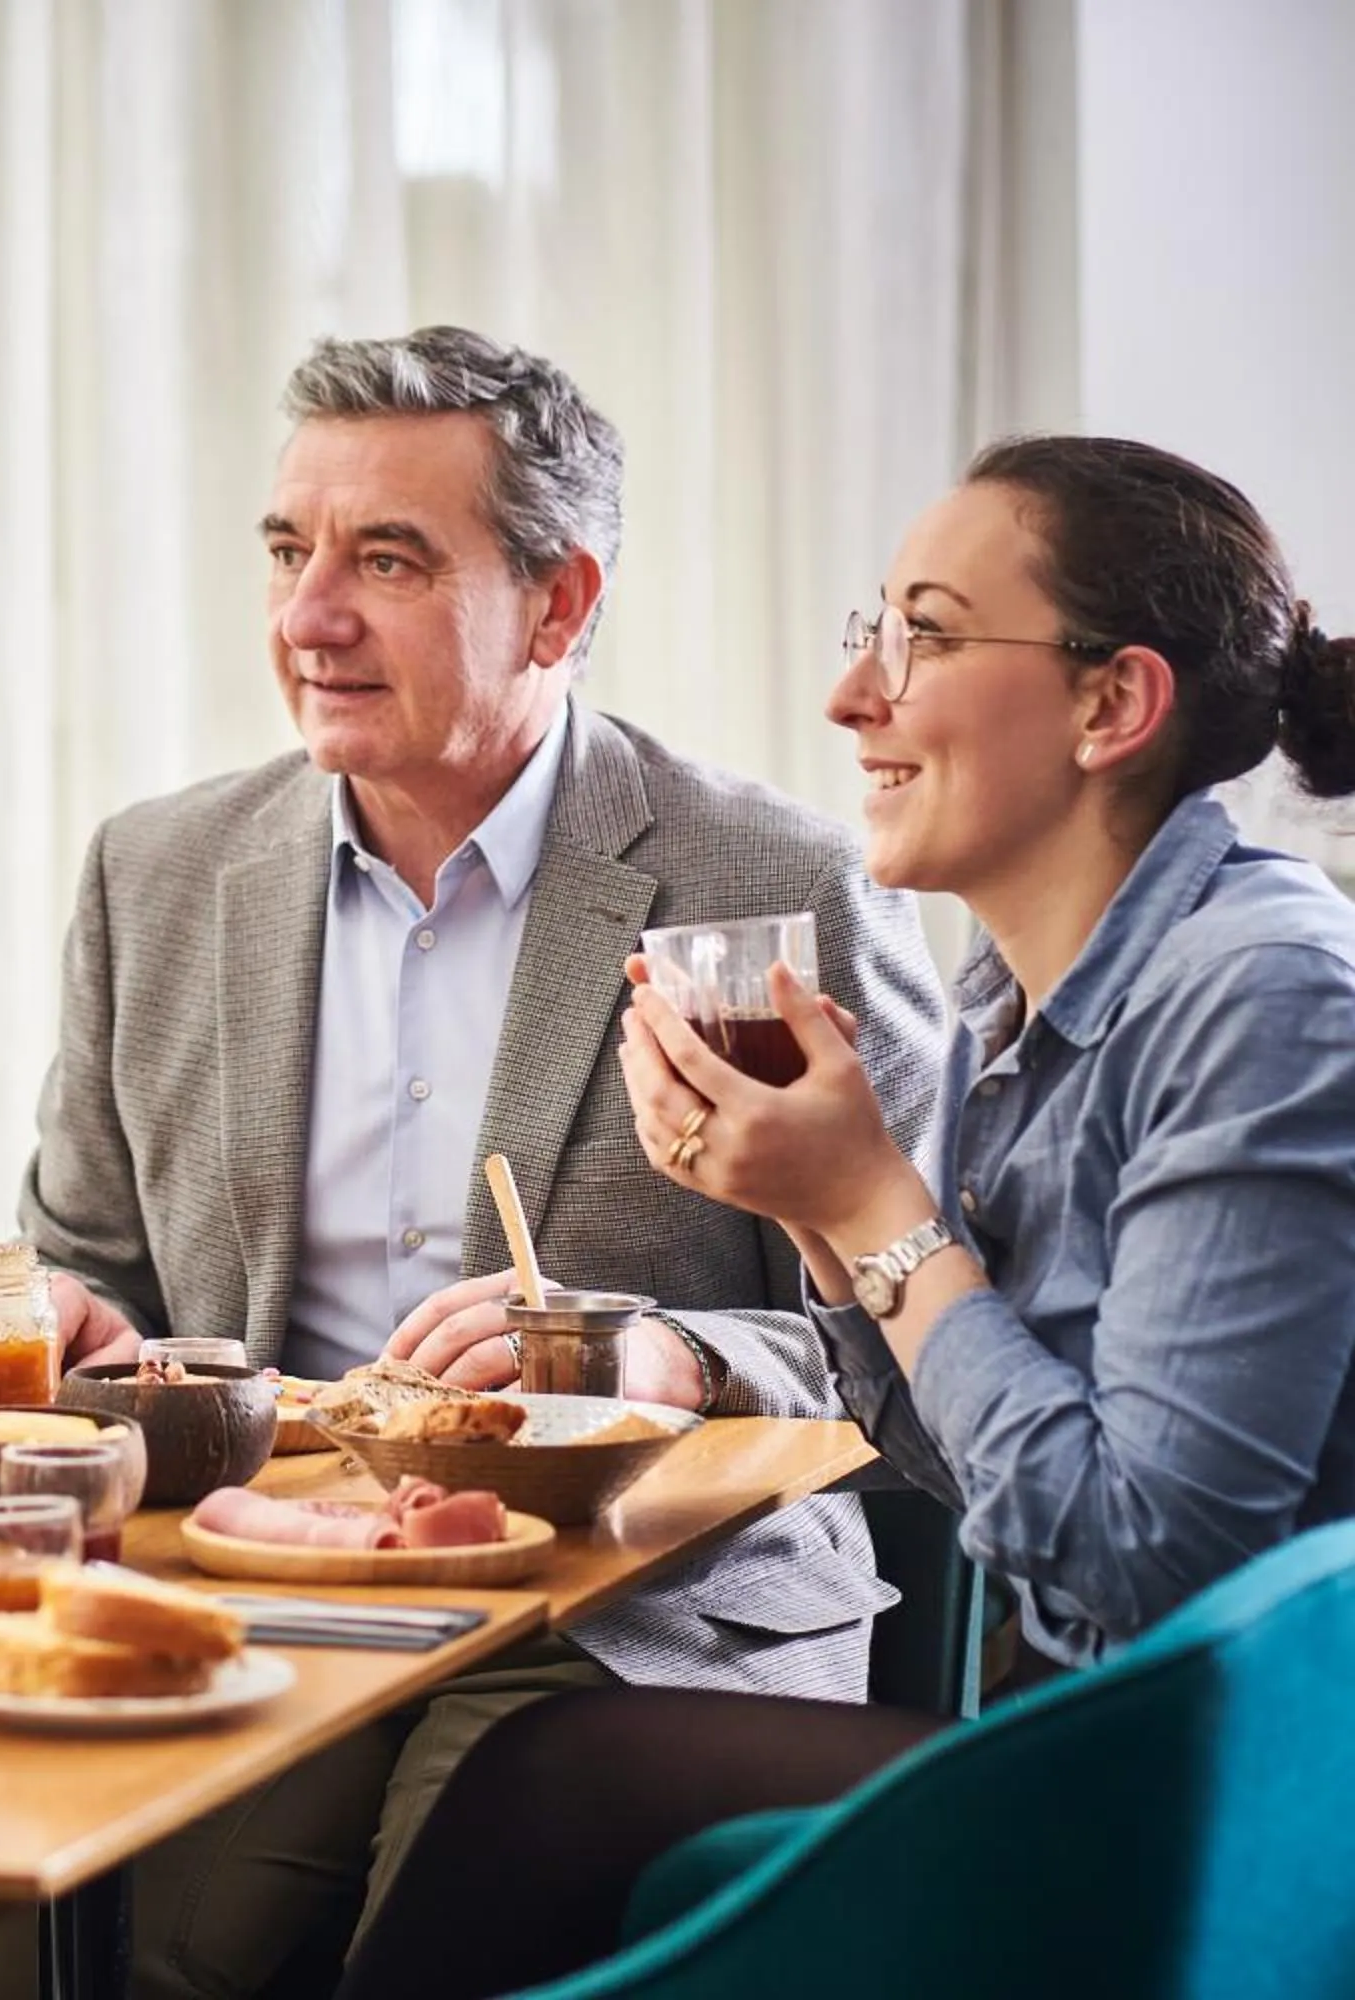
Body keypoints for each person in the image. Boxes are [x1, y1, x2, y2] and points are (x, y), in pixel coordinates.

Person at [340, 434, 1355, 1998]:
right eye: (866, 633)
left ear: (1113, 705)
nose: (852, 698)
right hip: (1105, 1738)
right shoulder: (1017, 1002)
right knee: (544, 1783)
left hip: (1220, 1805)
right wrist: (816, 1221)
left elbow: (1150, 1571)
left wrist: (874, 1200)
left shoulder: (1259, 992)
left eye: (927, 635)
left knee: (548, 1790)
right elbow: (977, 1468)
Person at [3, 327, 951, 1999]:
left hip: (640, 1602)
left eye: (388, 559)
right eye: (291, 551)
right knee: (75, 1948)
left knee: (423, 1948)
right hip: (264, 1581)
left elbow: (943, 1337)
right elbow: (92, 1272)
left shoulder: (772, 874)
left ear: (561, 604)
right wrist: (73, 1330)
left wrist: (668, 1352)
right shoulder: (153, 876)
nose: (308, 617)